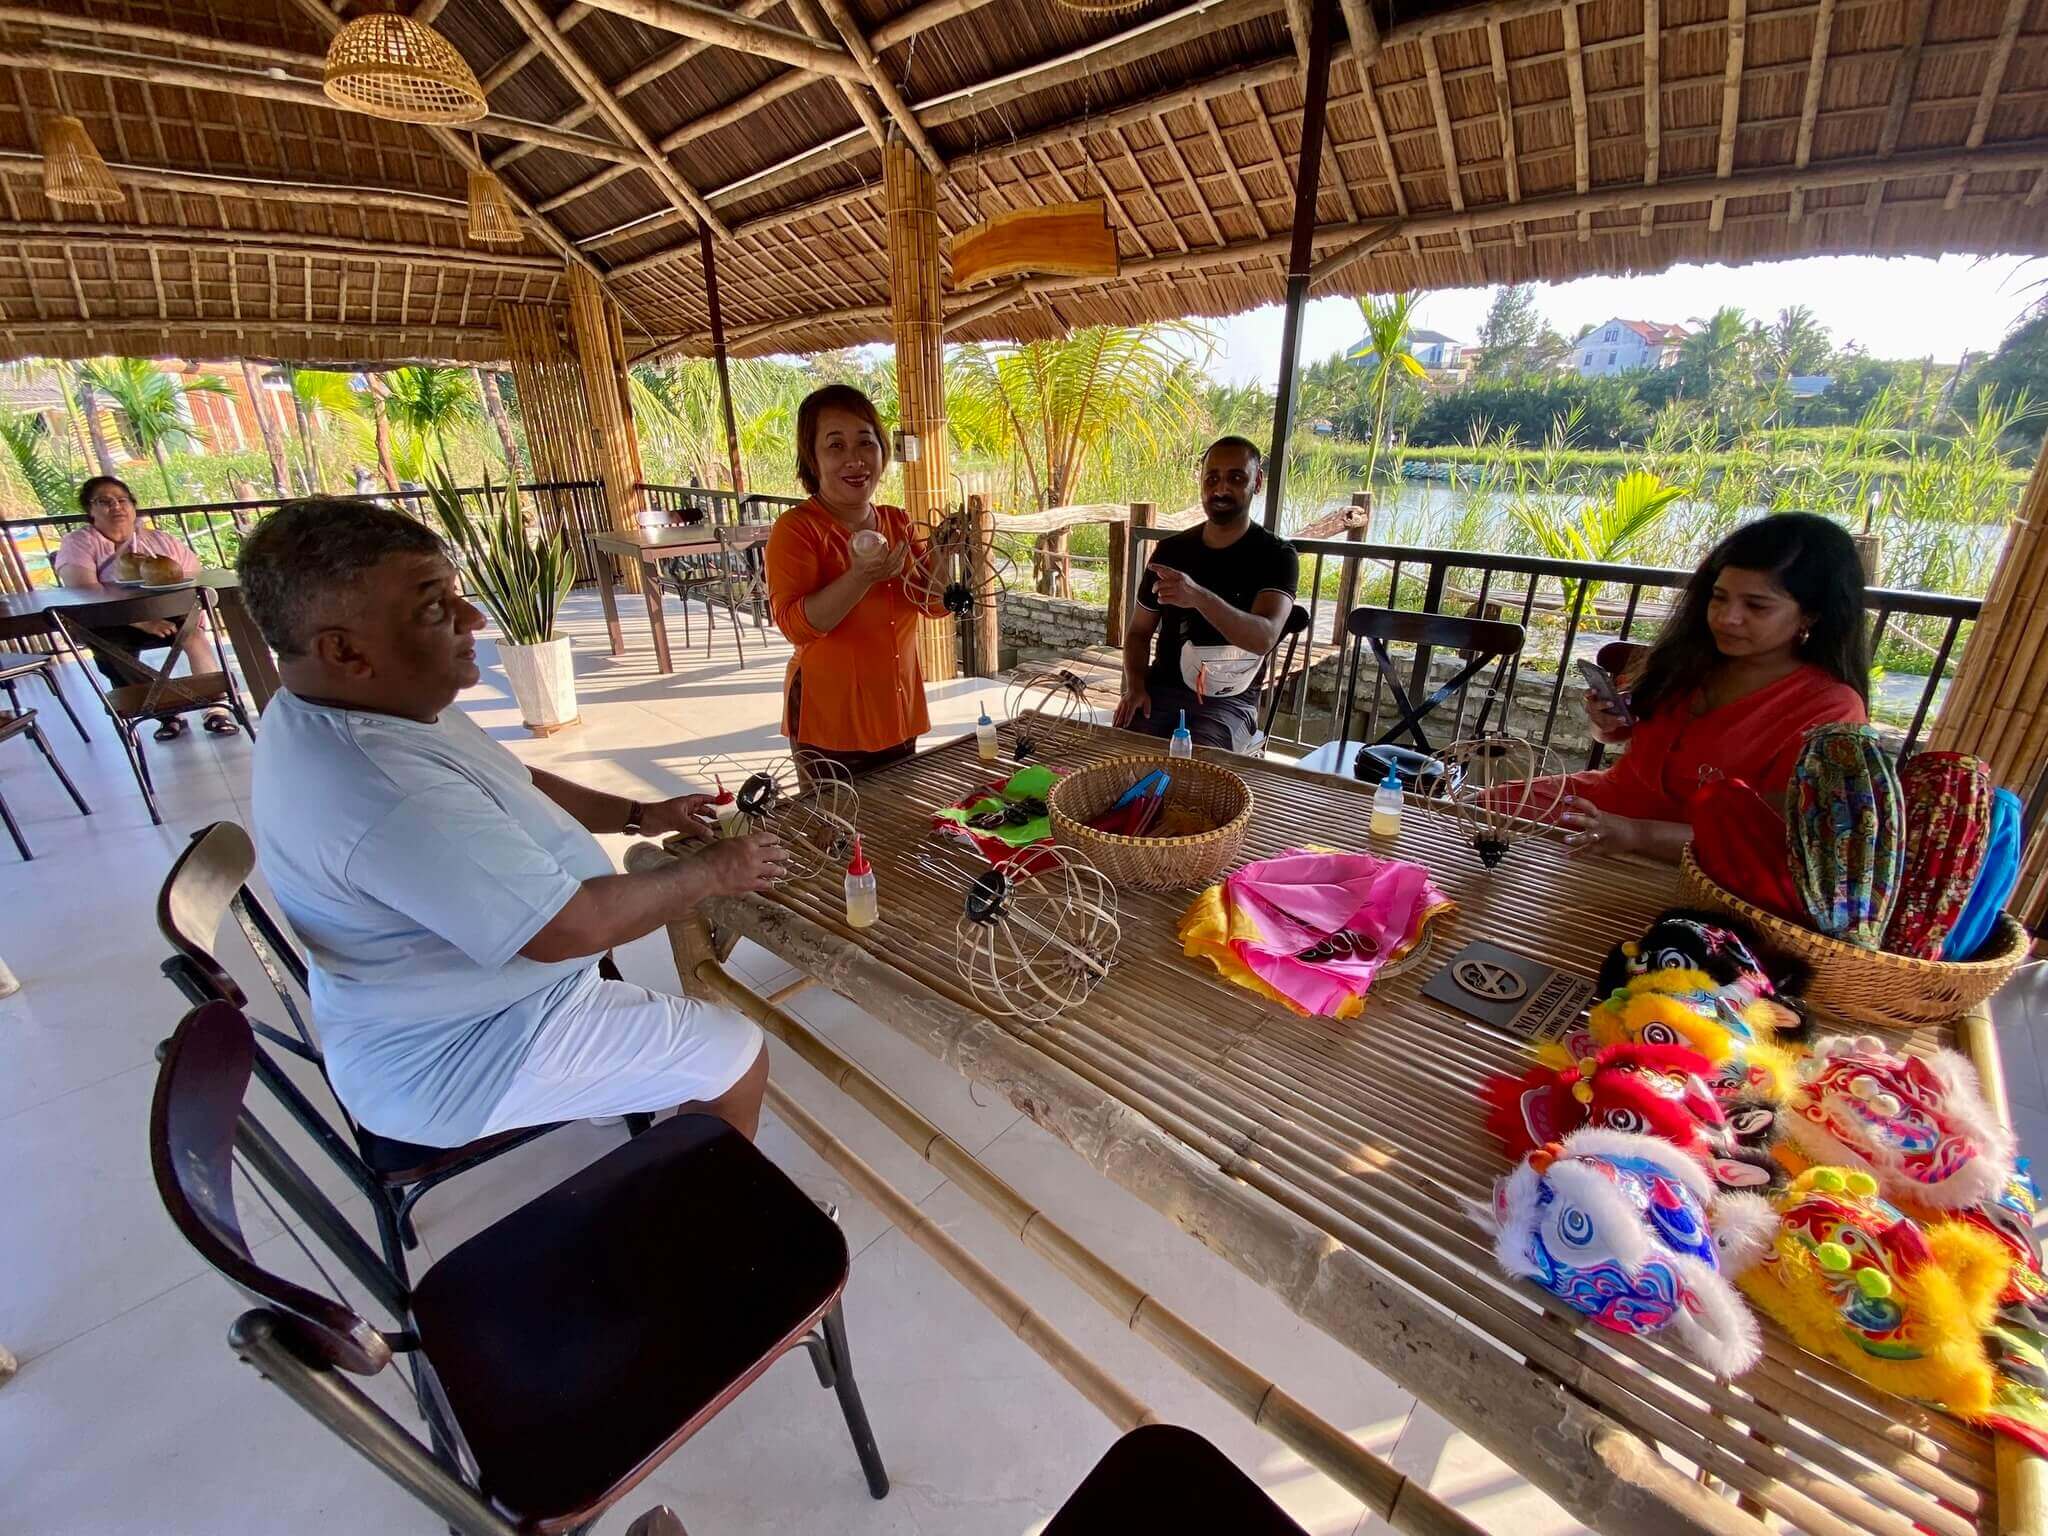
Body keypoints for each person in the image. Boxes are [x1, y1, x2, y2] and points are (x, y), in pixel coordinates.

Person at [237, 498, 779, 1149]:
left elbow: (515, 779)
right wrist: (716, 870)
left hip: (467, 999)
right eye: (434, 606)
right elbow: (568, 928)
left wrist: (640, 815)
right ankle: (716, 1204)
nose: (473, 618)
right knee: (734, 1054)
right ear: (345, 649)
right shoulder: (380, 785)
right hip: (465, 1053)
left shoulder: (372, 704)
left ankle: (615, 1092)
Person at [1548, 511, 1871, 860]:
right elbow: (1612, 737)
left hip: (1698, 854)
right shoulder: (1690, 660)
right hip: (1605, 809)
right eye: (1719, 597)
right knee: (1501, 810)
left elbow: (1774, 838)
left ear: (1811, 615)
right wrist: (1604, 721)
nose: (1727, 617)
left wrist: (1638, 835)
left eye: (1756, 606)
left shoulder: (1830, 709)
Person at [764, 384, 958, 775]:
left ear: (882, 450)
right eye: (835, 446)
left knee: (899, 807)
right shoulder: (797, 529)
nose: (855, 460)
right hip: (831, 721)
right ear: (812, 458)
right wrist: (859, 577)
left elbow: (932, 604)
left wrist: (943, 552)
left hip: (898, 710)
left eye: (866, 443)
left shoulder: (897, 520)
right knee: (835, 816)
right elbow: (795, 626)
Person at [1115, 436, 1298, 752]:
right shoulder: (1171, 551)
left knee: (1198, 767)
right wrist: (1135, 687)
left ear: (1257, 482)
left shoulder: (1276, 556)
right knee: (1118, 759)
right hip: (1160, 690)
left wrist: (1198, 596)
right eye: (1212, 478)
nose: (1221, 489)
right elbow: (1138, 632)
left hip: (1230, 699)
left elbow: (1263, 637)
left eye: (1236, 478)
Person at [54, 475, 237, 738]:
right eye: (104, 501)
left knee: (192, 634)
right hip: (111, 623)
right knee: (108, 650)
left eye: (122, 500)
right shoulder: (79, 543)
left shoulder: (158, 540)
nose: (116, 506)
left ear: (132, 505)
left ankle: (216, 710)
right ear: (90, 510)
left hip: (167, 613)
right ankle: (164, 712)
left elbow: (193, 575)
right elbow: (84, 591)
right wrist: (142, 621)